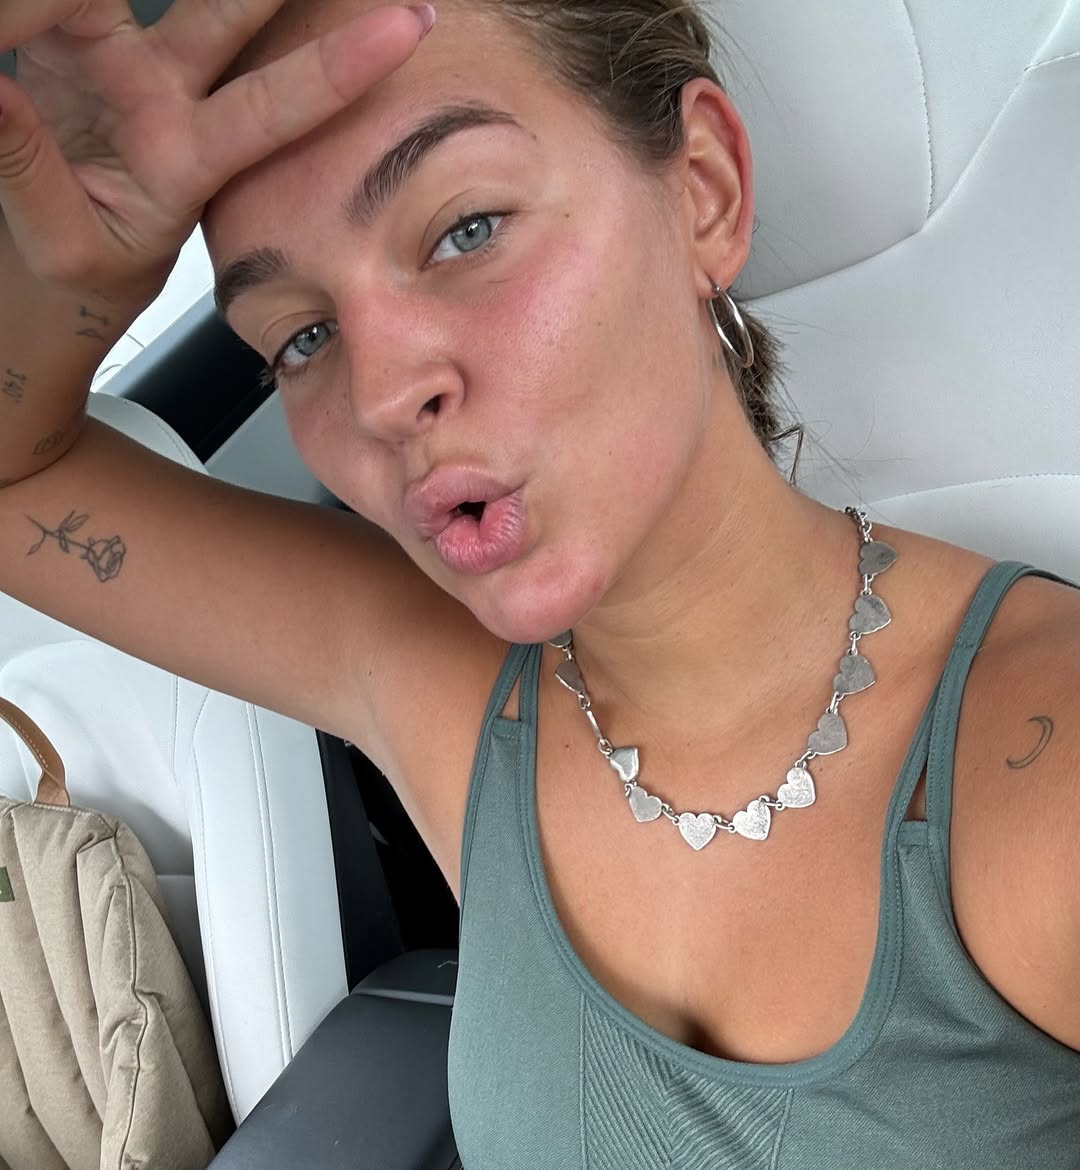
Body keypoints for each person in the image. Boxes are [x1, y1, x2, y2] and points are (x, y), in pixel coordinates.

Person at [1, 2, 1078, 1165]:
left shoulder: (1044, 775)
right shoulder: (431, 680)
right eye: (302, 338)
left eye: (466, 230)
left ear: (704, 191)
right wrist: (63, 275)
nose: (381, 395)